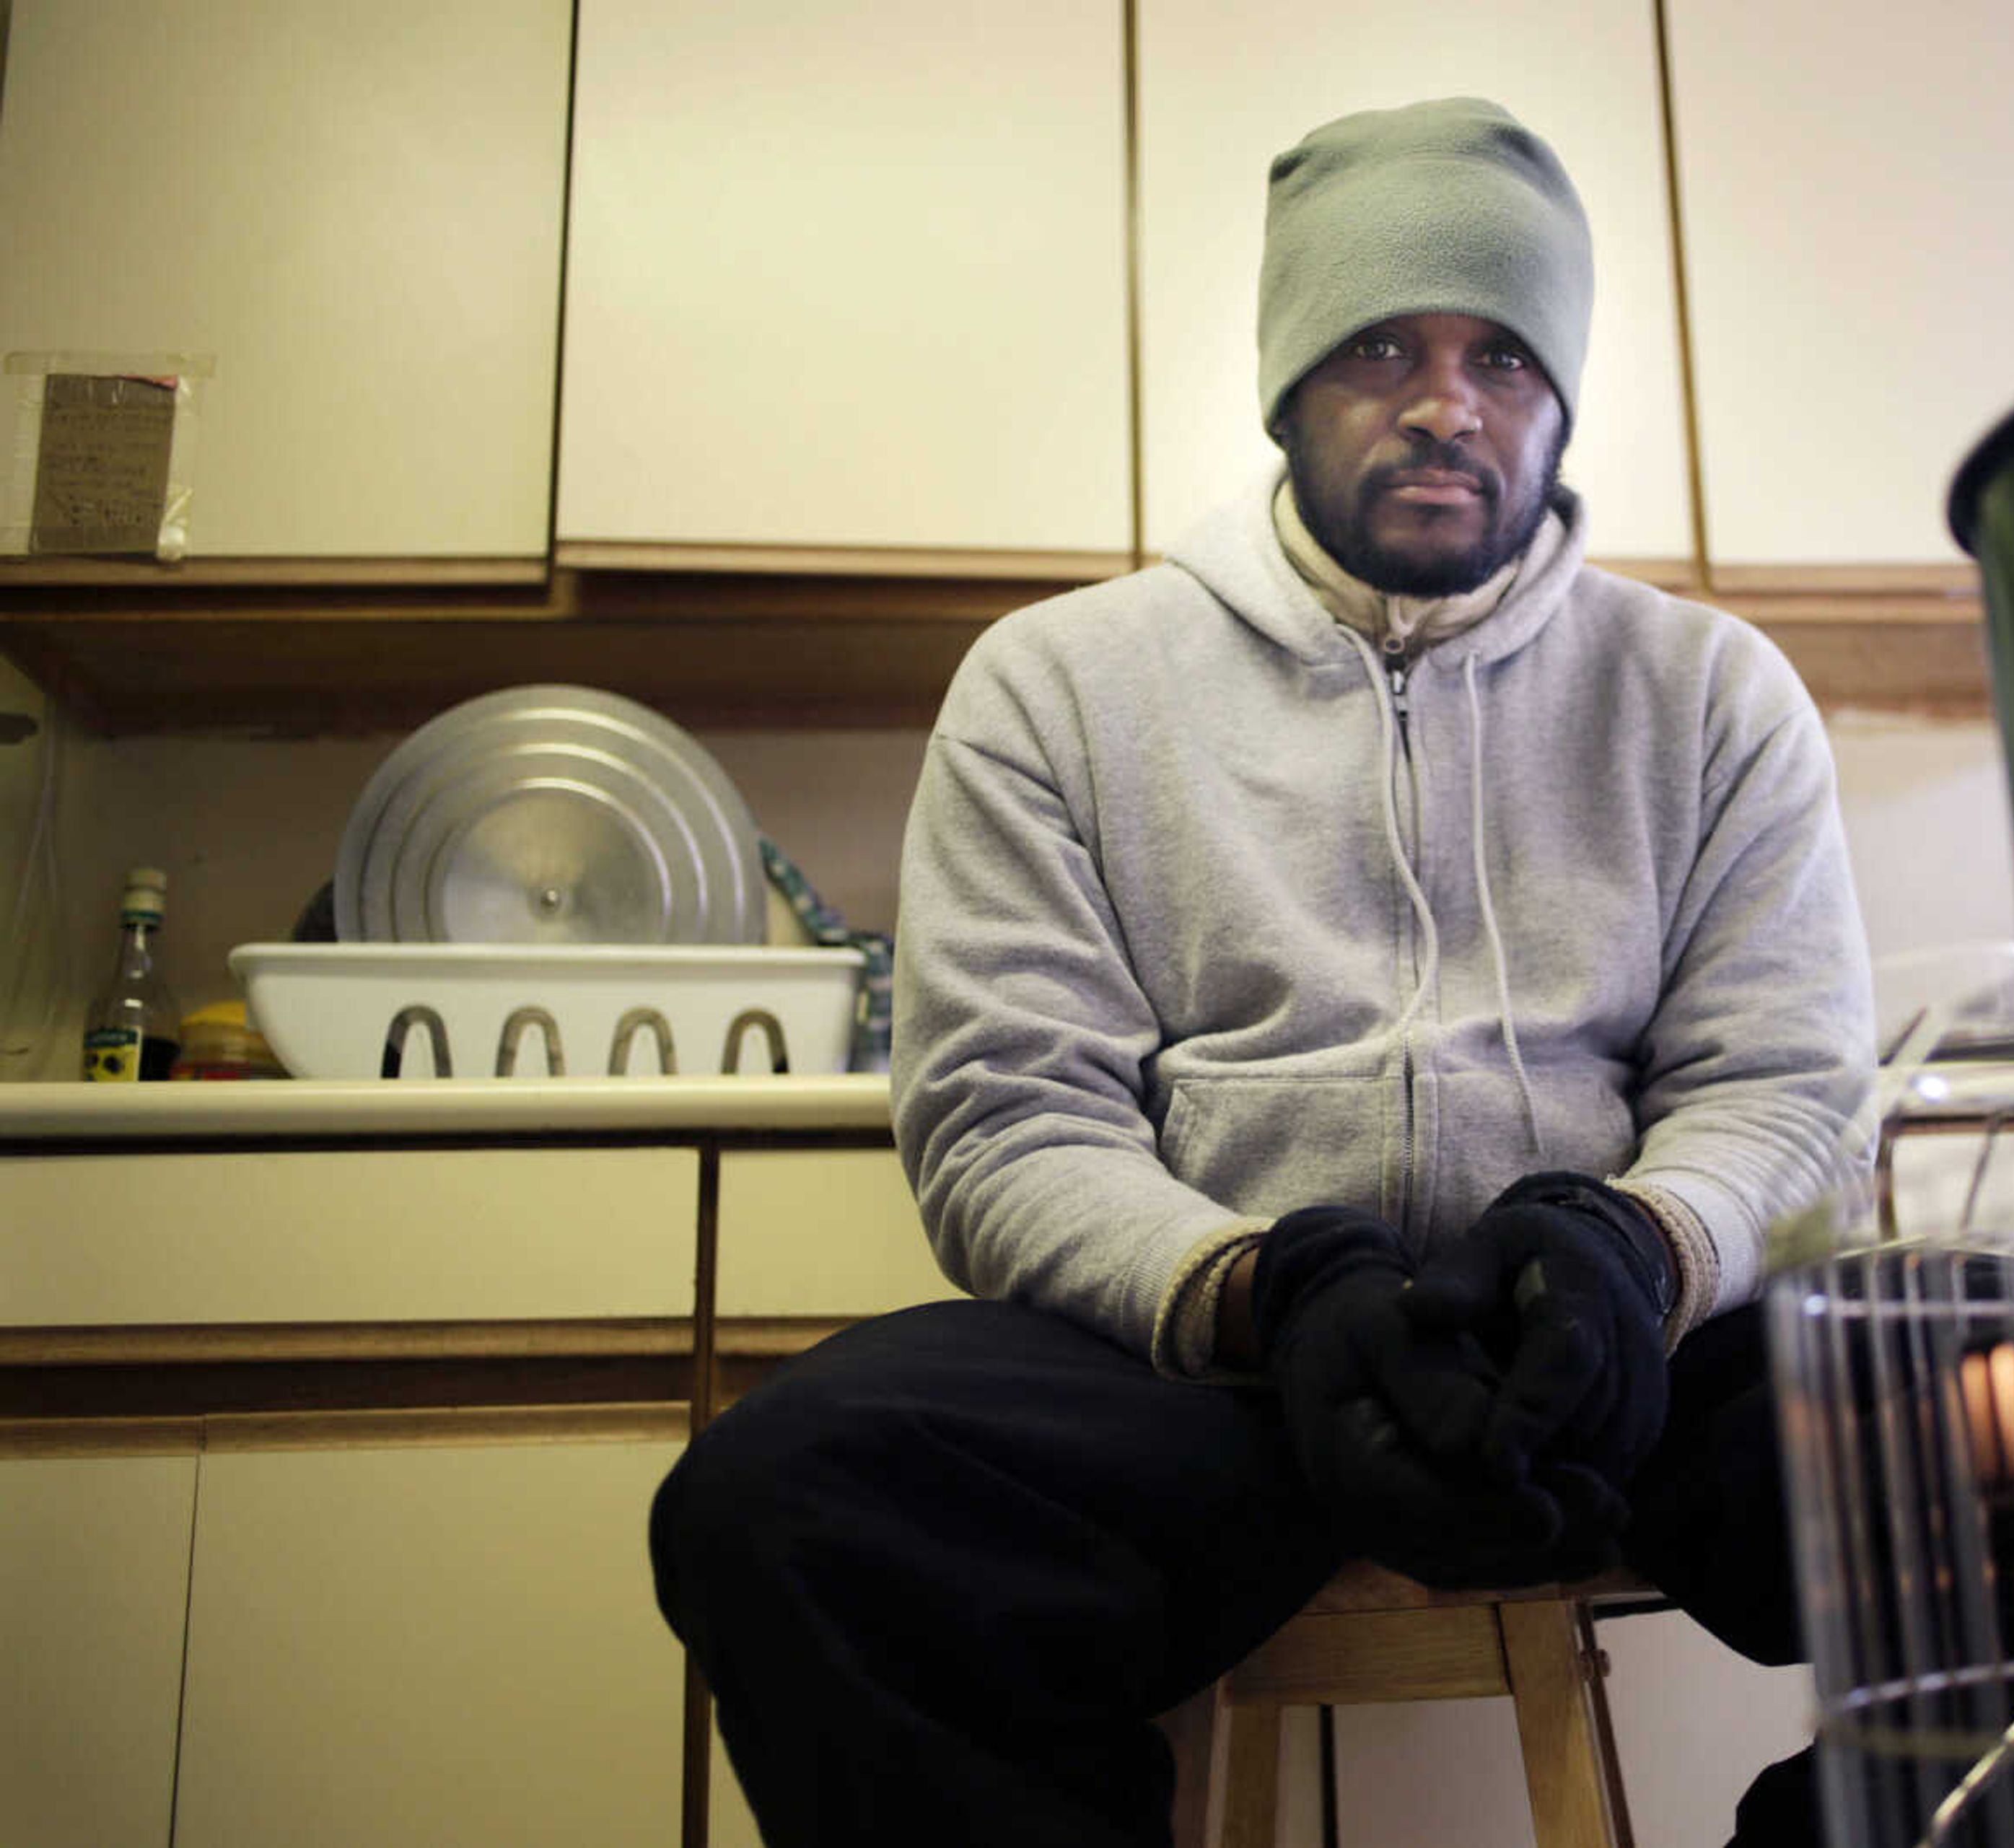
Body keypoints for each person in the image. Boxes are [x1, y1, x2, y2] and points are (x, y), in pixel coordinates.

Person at [650, 95, 1873, 1847]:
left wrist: (1639, 1252)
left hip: (1639, 1361)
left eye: (1506, 354)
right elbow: (1006, 1118)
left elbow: (1791, 1090)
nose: (1449, 399)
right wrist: (1267, 1291)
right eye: (1382, 342)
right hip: (1223, 1375)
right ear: (1290, 386)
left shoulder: (1708, 691)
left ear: (1560, 400)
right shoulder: (1057, 685)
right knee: (784, 1506)